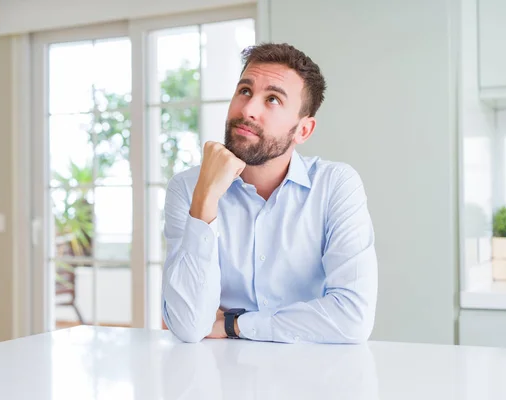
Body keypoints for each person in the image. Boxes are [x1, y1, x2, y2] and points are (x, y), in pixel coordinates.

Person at [161, 43, 377, 344]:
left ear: (303, 130)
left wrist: (234, 324)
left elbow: (353, 319)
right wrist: (206, 199)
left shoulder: (336, 185)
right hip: (220, 378)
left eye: (272, 99)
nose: (248, 109)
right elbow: (188, 325)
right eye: (245, 91)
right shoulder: (188, 188)